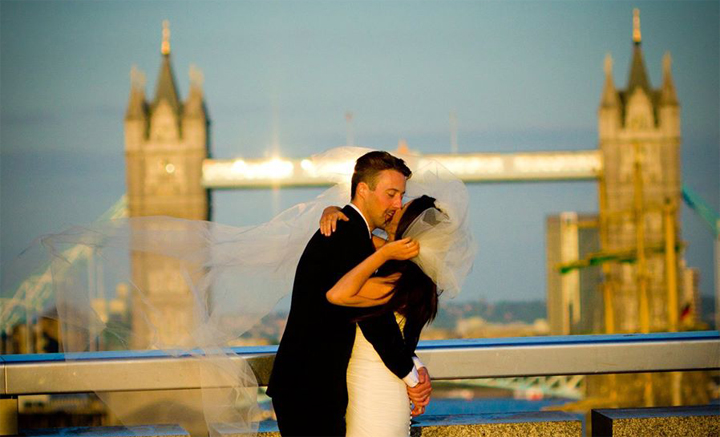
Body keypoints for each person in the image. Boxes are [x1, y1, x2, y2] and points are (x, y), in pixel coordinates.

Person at [266, 151, 432, 436]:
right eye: (391, 194)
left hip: (313, 387)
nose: (397, 204)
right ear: (363, 190)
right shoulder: (345, 235)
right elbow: (375, 321)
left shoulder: (356, 234)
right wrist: (412, 376)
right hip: (309, 388)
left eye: (401, 196)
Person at [322, 194, 445, 436]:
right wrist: (332, 209)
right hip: (371, 383)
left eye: (403, 207)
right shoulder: (404, 269)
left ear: (412, 225)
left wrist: (383, 253)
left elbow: (337, 294)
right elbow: (356, 234)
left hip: (375, 388)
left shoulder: (397, 279)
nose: (395, 206)